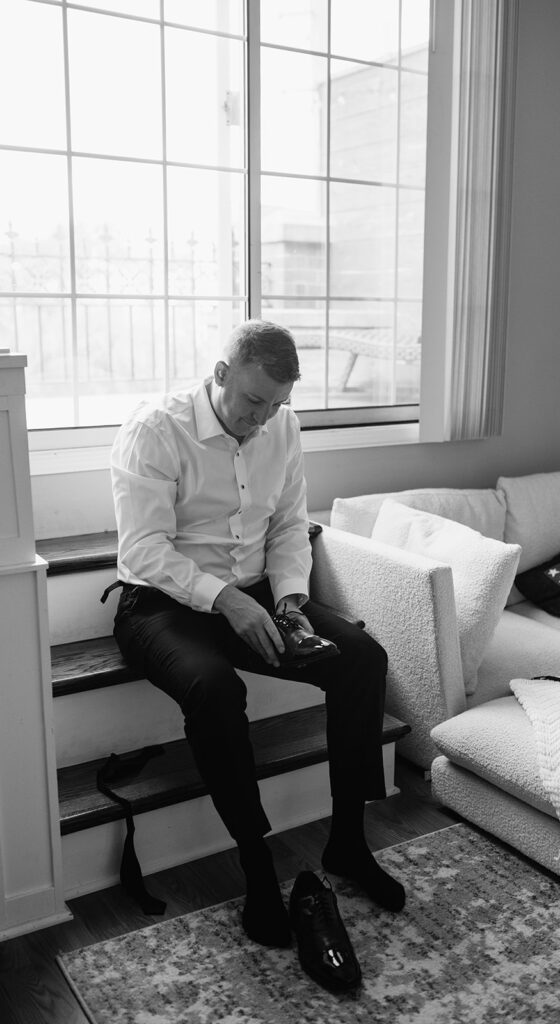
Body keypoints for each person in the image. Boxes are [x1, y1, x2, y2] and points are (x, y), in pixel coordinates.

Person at [110, 319, 405, 950]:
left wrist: (290, 602)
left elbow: (290, 525)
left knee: (361, 659)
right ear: (220, 375)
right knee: (215, 689)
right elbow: (143, 549)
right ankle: (257, 867)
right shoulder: (155, 429)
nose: (263, 419)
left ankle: (349, 843)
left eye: (278, 405)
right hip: (160, 606)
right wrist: (225, 602)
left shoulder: (282, 425)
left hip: (257, 594)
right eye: (252, 402)